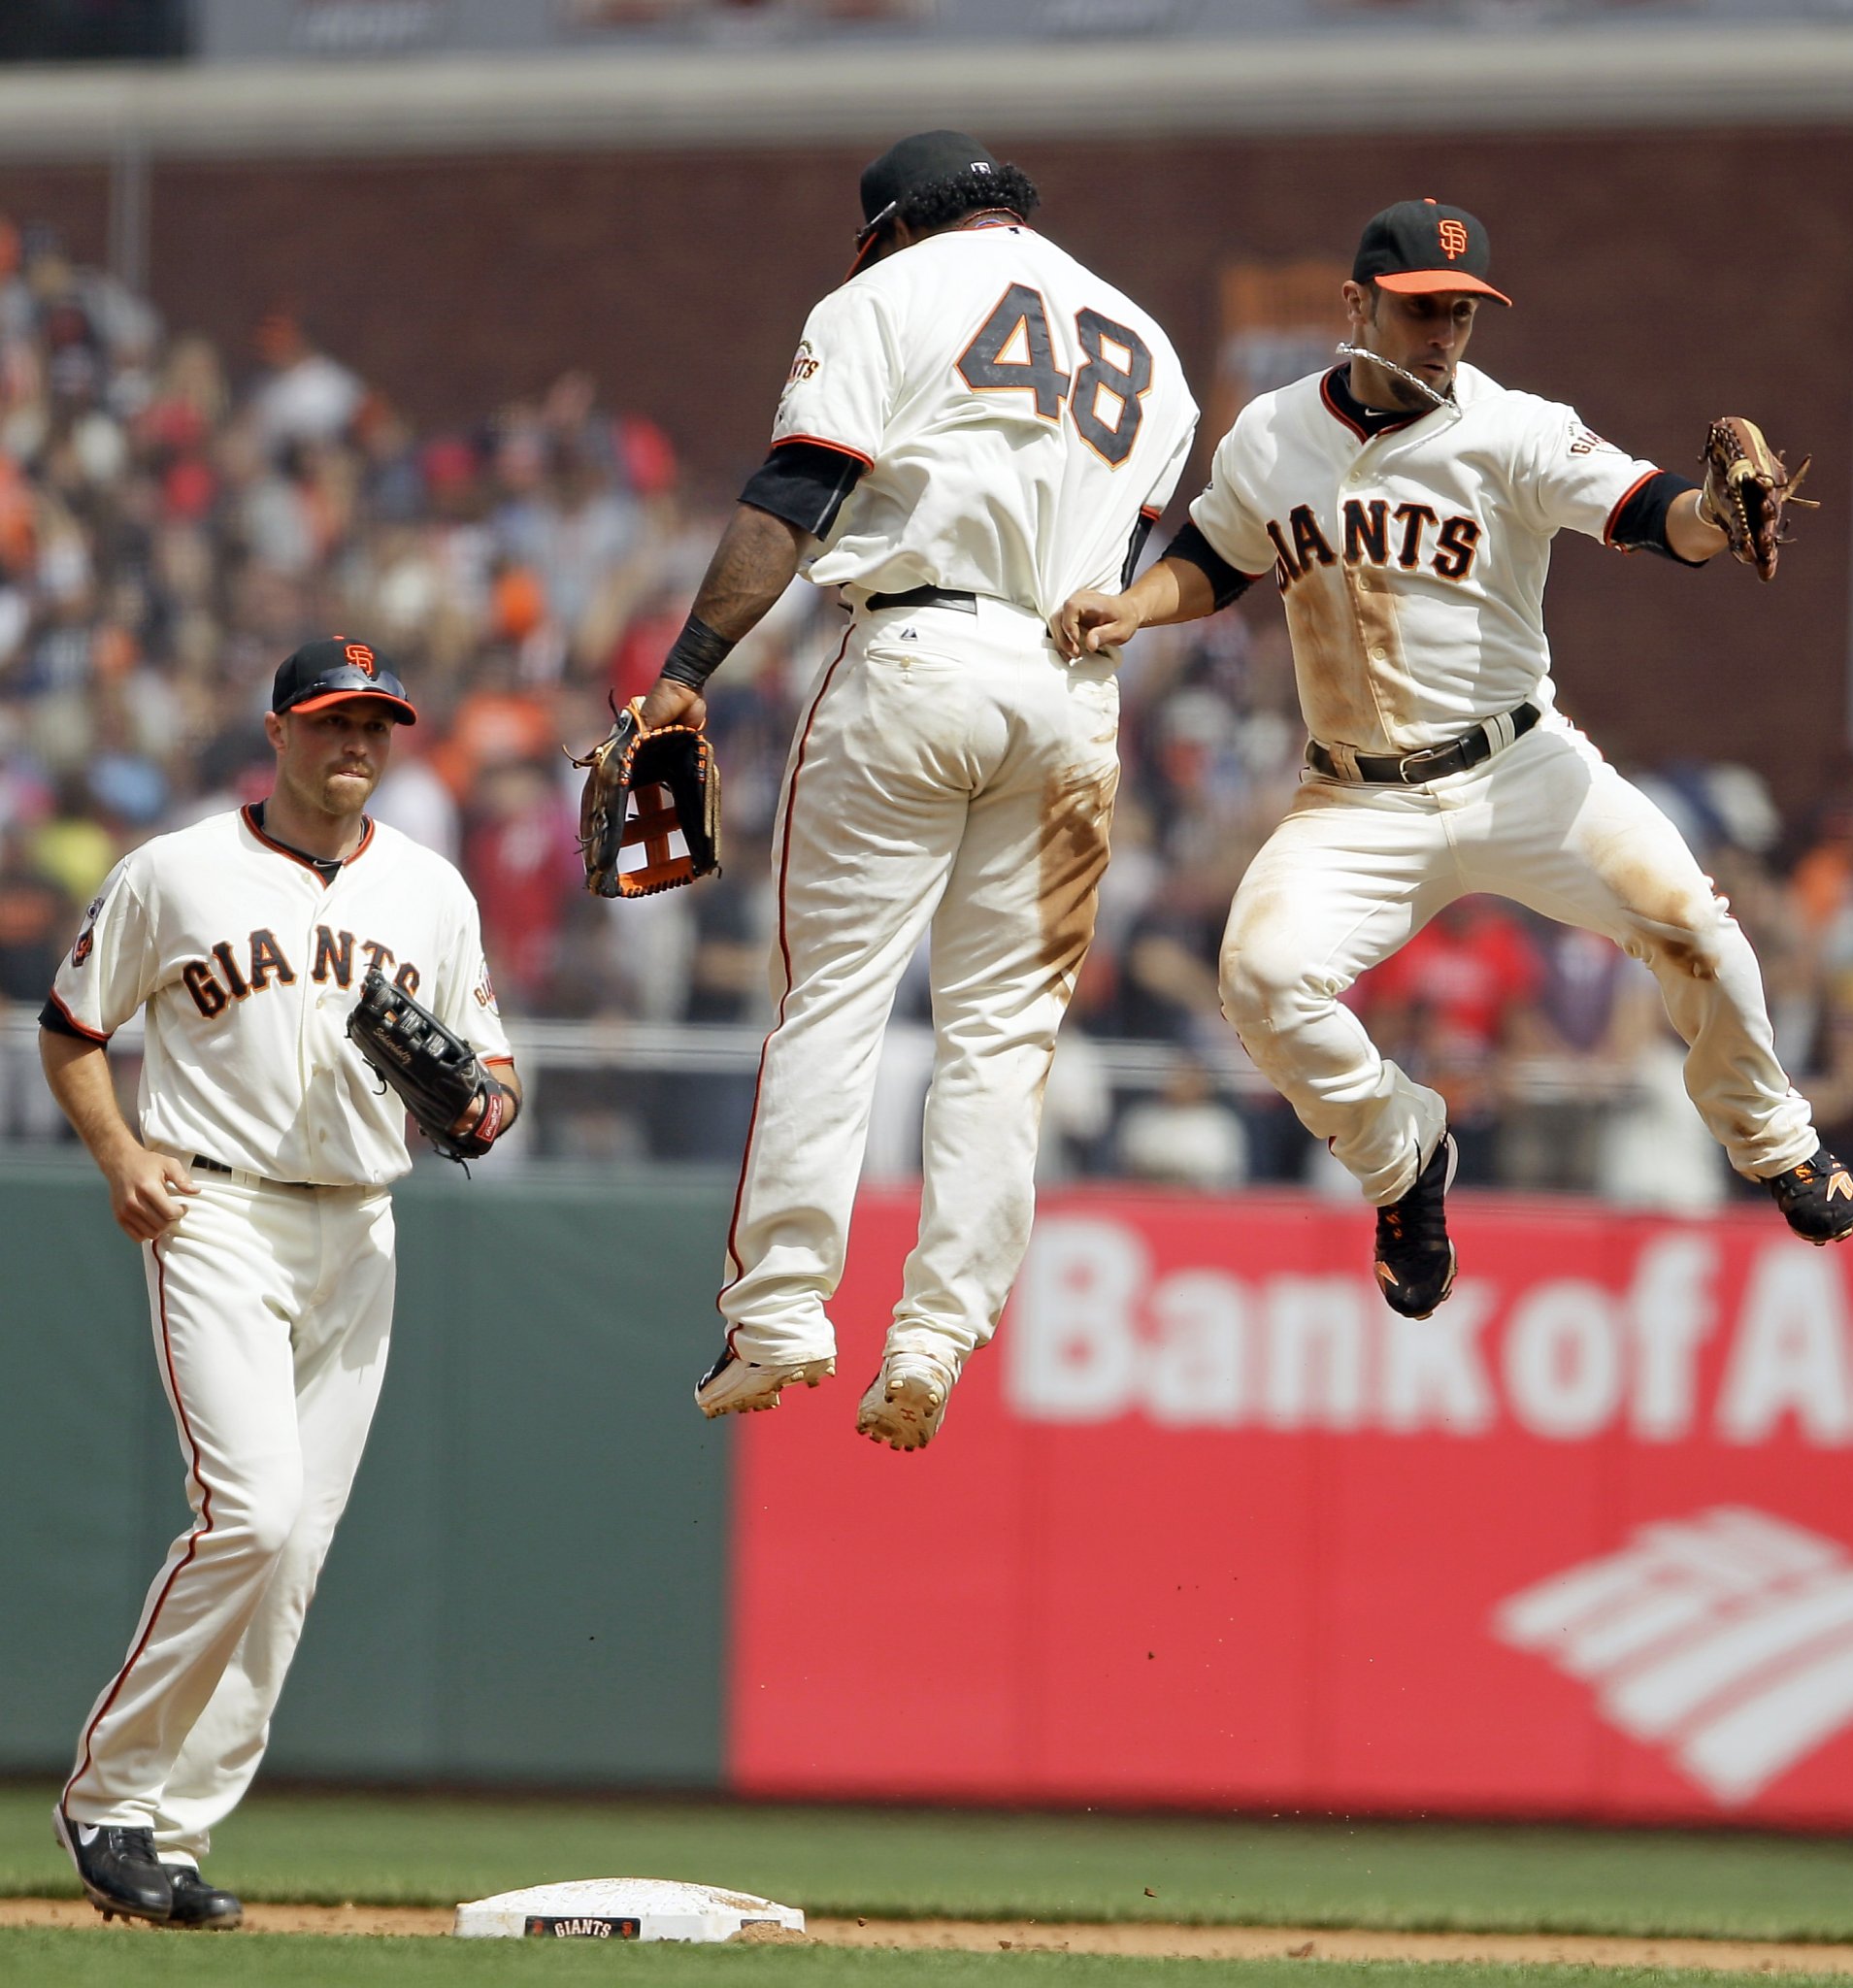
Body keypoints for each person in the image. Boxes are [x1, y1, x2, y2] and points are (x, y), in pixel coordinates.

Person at [1055, 198, 1853, 1321]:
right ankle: (1403, 1156)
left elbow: (1642, 510)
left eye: (1463, 313)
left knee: (1695, 931)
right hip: (1353, 795)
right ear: (1356, 305)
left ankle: (1773, 1141)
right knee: (1258, 979)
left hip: (1517, 766)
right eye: (1420, 309)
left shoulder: (1512, 426)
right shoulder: (1272, 432)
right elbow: (1216, 553)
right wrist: (1139, 604)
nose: (1443, 333)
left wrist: (1716, 521)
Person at [630, 130, 1197, 1449]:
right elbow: (1147, 542)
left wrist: (685, 672)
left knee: (837, 998)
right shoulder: (1147, 342)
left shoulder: (882, 296)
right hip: (1071, 690)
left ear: (891, 225)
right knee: (1003, 1034)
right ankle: (939, 1332)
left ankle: (780, 1312)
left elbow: (794, 495)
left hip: (922, 650)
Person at [41, 636, 520, 1928]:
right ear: (280, 730)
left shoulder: (429, 891)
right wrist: (117, 1156)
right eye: (331, 721)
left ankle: (167, 1839)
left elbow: (493, 1080)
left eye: (377, 723)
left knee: (293, 1554)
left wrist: (478, 1107)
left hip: (363, 1231)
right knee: (250, 1513)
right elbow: (74, 1028)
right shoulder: (177, 871)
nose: (356, 744)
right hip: (219, 1213)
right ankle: (108, 1799)